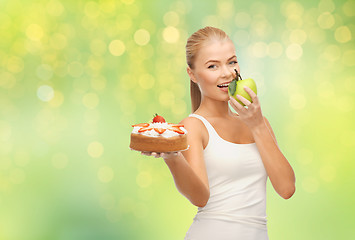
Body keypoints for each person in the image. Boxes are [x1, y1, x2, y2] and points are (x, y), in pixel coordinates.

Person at [142, 26, 295, 240]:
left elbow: (287, 188)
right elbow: (200, 197)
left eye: (231, 62)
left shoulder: (259, 123)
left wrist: (258, 125)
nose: (226, 73)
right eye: (212, 66)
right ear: (192, 74)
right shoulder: (194, 126)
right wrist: (172, 157)